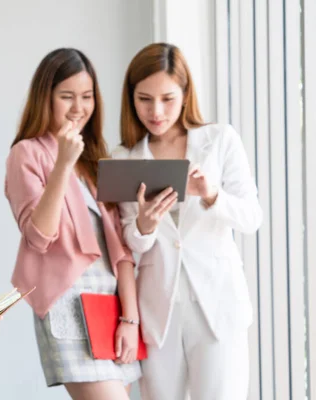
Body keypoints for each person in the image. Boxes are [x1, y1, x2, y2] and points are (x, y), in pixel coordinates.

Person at [112, 42, 263, 400]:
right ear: (131, 98)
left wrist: (211, 195)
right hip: (159, 312)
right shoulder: (124, 157)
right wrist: (145, 225)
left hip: (218, 306)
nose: (157, 111)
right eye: (144, 99)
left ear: (185, 93)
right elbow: (128, 243)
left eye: (167, 98)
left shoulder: (220, 140)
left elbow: (251, 217)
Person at [5, 48, 141, 400]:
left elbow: (121, 250)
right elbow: (38, 236)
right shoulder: (27, 153)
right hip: (67, 301)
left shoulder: (97, 158)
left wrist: (131, 318)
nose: (79, 107)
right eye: (67, 97)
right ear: (45, 98)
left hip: (110, 305)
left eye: (86, 96)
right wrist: (63, 164)